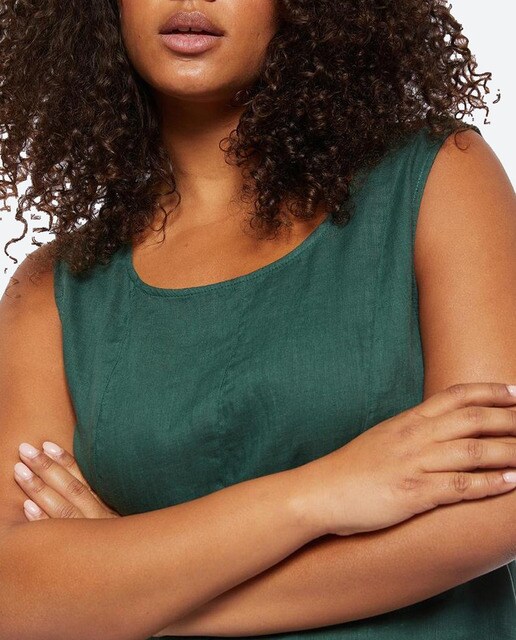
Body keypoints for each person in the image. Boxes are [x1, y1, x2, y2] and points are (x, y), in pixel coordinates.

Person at [0, 1, 515, 639]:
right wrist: (318, 493)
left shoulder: (437, 178)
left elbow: (497, 502)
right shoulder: (52, 290)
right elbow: (15, 594)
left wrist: (141, 598)